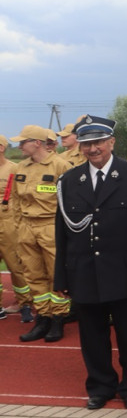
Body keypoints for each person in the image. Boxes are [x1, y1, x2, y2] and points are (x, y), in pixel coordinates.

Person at [54, 116, 127, 409]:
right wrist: (60, 277)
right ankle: (100, 386)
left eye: (99, 142)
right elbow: (61, 233)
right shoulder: (70, 181)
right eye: (87, 143)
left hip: (126, 271)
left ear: (112, 142)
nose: (93, 149)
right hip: (84, 272)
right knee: (92, 337)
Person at [10, 125, 72, 341]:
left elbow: (70, 202)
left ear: (37, 143)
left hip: (51, 226)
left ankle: (58, 319)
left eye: (23, 142)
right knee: (33, 274)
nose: (19, 146)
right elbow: (16, 200)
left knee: (56, 275)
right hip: (26, 227)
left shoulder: (60, 165)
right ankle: (42, 318)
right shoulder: (21, 167)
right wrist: (18, 226)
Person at [0, 135, 30, 320]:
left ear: (1, 147)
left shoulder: (14, 168)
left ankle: (24, 303)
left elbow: (22, 197)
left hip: (8, 222)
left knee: (15, 265)